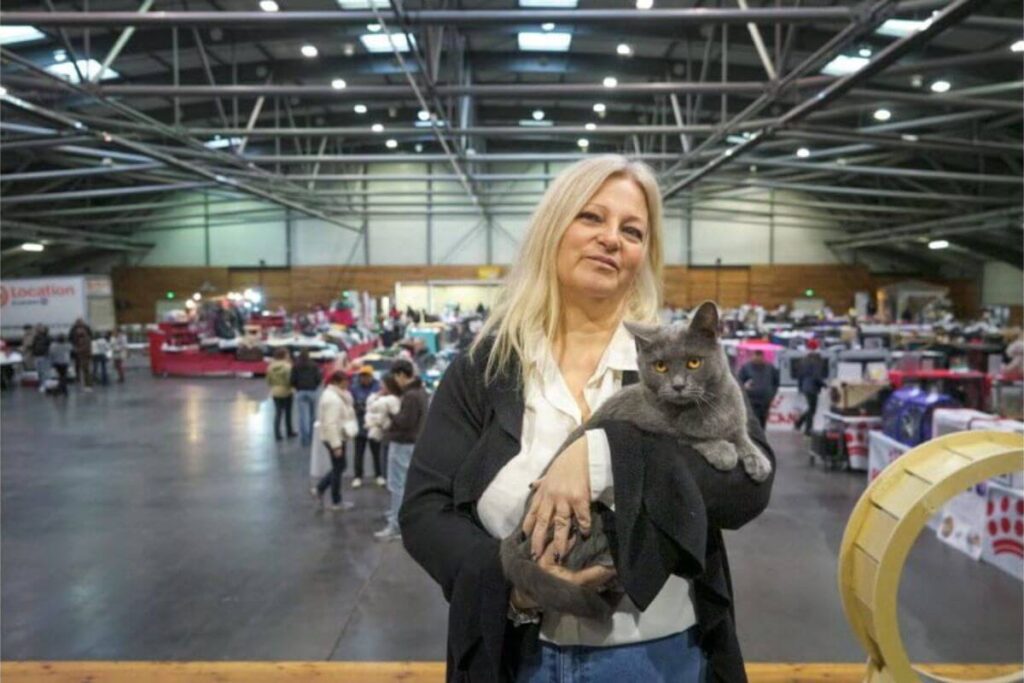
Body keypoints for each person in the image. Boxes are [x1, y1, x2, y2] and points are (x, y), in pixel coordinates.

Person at [399, 155, 774, 682]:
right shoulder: (484, 369)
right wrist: (516, 584)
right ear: (554, 228)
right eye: (591, 218)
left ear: (644, 255)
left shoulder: (671, 358)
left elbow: (747, 488)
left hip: (659, 659)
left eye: (632, 230)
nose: (611, 238)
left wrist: (602, 455)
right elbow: (423, 511)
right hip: (515, 655)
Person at [374, 358, 428, 542]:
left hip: (403, 443)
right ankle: (397, 516)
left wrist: (389, 413)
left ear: (401, 375)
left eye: (395, 376)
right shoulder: (420, 391)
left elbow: (405, 421)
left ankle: (395, 525)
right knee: (403, 484)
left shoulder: (411, 395)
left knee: (397, 485)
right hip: (413, 443)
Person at [310, 370, 358, 511]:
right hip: (335, 438)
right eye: (346, 381)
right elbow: (330, 424)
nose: (348, 383)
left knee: (339, 467)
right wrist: (336, 446)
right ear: (337, 382)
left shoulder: (336, 396)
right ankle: (335, 500)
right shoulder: (333, 399)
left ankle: (321, 490)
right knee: (339, 468)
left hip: (336, 436)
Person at [364, 373, 403, 486]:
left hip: (392, 435)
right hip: (384, 435)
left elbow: (396, 416)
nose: (381, 388)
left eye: (383, 385)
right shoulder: (380, 398)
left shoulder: (392, 400)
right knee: (383, 459)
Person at [350, 365, 383, 489]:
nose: (364, 378)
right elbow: (352, 404)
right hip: (360, 425)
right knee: (358, 452)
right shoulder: (354, 388)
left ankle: (379, 475)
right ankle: (358, 476)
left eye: (366, 376)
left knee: (376, 452)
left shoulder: (377, 386)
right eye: (362, 376)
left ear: (371, 376)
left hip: (373, 424)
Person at [794, 339, 827, 435]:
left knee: (810, 408)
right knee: (812, 409)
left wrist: (800, 387)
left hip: (805, 386)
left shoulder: (804, 359)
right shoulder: (817, 360)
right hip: (813, 387)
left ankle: (800, 423)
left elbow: (800, 375)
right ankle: (807, 429)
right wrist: (824, 384)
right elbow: (817, 376)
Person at [290, 349, 322, 448]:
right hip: (312, 391)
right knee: (312, 416)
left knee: (303, 416)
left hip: (301, 391)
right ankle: (313, 437)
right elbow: (319, 378)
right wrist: (315, 386)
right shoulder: (314, 365)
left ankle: (305, 439)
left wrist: (297, 387)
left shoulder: (296, 366)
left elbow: (292, 379)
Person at [266, 348, 297, 441]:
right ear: (284, 355)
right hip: (287, 391)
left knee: (278, 413)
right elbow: (289, 379)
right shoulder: (288, 366)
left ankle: (277, 433)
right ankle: (289, 431)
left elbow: (268, 380)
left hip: (275, 391)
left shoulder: (270, 366)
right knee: (288, 412)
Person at [69, 318, 93, 390]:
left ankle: (88, 385)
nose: (78, 332)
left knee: (86, 370)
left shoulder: (86, 338)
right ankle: (81, 381)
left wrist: (77, 350)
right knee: (79, 367)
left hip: (84, 355)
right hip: (80, 353)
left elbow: (85, 347)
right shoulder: (76, 332)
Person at [31, 325, 52, 393]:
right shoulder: (36, 337)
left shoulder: (47, 337)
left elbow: (50, 346)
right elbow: (33, 345)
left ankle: (44, 385)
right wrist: (33, 353)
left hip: (44, 356)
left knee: (43, 371)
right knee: (39, 371)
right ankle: (41, 383)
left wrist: (47, 353)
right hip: (37, 356)